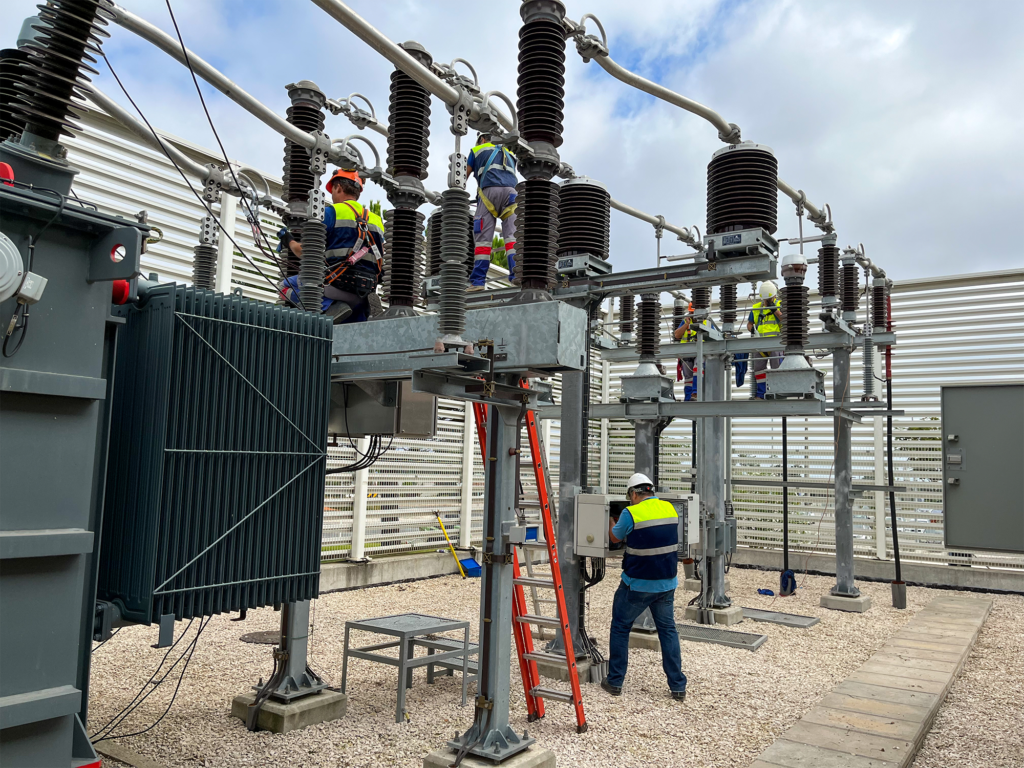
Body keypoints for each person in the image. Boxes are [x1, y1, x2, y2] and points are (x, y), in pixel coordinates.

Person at [601, 473, 687, 701]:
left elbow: (614, 538)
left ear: (634, 493)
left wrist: (612, 520)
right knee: (668, 631)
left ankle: (615, 681)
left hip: (636, 585)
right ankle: (677, 686)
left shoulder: (630, 513)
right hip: (667, 583)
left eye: (630, 496)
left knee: (620, 627)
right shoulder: (669, 508)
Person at [279, 169, 385, 324]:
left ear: (339, 188)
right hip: (366, 289)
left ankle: (329, 306)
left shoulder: (331, 212)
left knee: (285, 285)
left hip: (337, 287)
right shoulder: (376, 220)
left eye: (333, 190)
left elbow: (307, 252)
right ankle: (365, 310)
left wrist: (288, 240)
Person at [466, 133, 518, 290]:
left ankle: (478, 282)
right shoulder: (510, 153)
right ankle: (516, 276)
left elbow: (462, 177)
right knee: (512, 239)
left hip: (489, 193)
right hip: (512, 195)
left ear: (482, 139)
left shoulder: (477, 150)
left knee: (483, 239)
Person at [747, 281, 782, 398]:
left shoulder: (780, 304)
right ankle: (761, 394)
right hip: (760, 343)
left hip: (775, 343)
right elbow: (749, 324)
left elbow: (784, 319)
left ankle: (777, 392)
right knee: (759, 369)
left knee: (777, 368)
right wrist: (752, 330)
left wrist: (773, 308)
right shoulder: (756, 308)